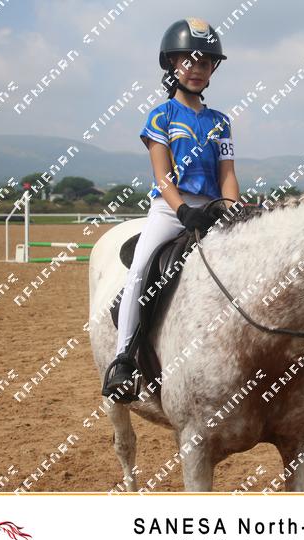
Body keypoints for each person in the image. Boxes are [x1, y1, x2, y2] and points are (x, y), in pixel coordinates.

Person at [102, 17, 240, 402]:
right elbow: (163, 176)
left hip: (212, 209)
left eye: (205, 63)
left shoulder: (221, 122)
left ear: (213, 69)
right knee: (140, 270)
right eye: (189, 61)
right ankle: (123, 360)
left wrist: (230, 208)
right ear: (172, 64)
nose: (196, 69)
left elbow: (228, 174)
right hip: (169, 209)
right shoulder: (160, 116)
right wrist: (182, 212)